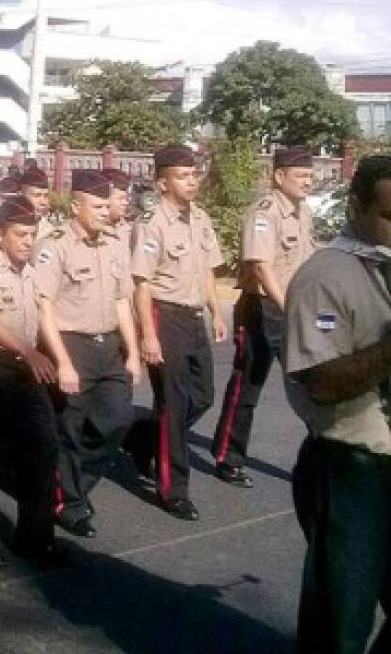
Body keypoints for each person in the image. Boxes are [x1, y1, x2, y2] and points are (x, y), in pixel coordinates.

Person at [282, 155, 391, 654]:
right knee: (340, 621)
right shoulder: (326, 276)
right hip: (353, 468)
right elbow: (320, 382)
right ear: (355, 208)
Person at [36, 169, 141, 539]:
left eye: (105, 204)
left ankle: (76, 485)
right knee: (70, 428)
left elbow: (121, 301)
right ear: (77, 205)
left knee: (117, 420)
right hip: (71, 343)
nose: (103, 211)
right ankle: (68, 503)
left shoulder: (113, 243)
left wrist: (134, 352)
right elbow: (44, 306)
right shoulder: (55, 245)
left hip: (108, 345)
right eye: (96, 205)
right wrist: (62, 361)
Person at [0, 195, 64, 567]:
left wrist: (60, 360)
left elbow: (45, 314)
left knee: (43, 446)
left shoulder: (33, 270)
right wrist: (28, 351)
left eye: (32, 234)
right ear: (0, 234)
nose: (27, 241)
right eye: (20, 234)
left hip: (26, 366)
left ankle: (35, 536)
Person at [131, 145, 227, 521]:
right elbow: (141, 282)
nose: (192, 182)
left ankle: (146, 439)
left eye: (193, 175)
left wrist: (216, 312)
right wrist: (147, 335)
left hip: (192, 316)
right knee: (174, 403)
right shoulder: (152, 223)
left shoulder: (200, 218)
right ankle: (174, 490)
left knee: (202, 396)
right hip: (163, 314)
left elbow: (207, 269)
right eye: (183, 176)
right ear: (162, 183)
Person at [211, 146, 316, 488]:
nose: (308, 182)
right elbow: (260, 266)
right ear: (279, 176)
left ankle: (323, 459)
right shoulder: (264, 213)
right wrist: (286, 306)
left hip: (294, 308)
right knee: (247, 387)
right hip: (262, 310)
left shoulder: (303, 212)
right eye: (301, 176)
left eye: (310, 176)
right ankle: (229, 457)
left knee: (310, 384)